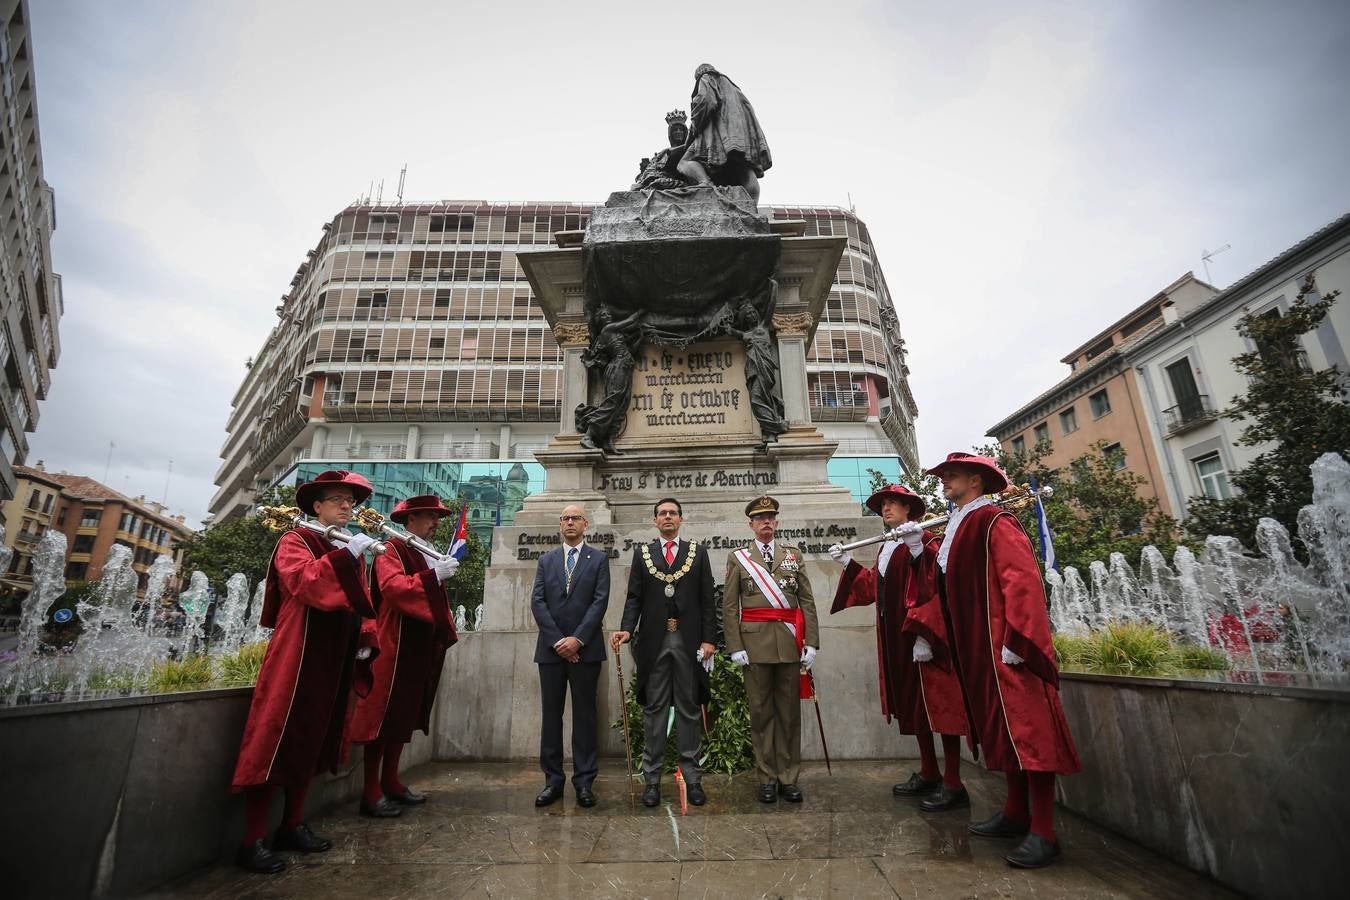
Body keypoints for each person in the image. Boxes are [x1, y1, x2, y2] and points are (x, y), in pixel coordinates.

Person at [923, 452, 1081, 869]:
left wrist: (1018, 639)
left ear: (975, 481)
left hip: (1006, 650)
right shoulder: (962, 524)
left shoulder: (995, 521)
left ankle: (1044, 831)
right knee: (1002, 732)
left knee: (1030, 734)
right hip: (979, 651)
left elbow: (1022, 581)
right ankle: (1015, 811)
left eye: (951, 476)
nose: (944, 482)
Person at [230, 470, 380, 874]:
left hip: (335, 652)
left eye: (351, 501)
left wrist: (367, 635)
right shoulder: (295, 540)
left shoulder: (352, 546)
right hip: (298, 651)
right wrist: (343, 558)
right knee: (277, 736)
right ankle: (252, 838)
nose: (347, 506)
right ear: (317, 506)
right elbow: (304, 583)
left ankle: (292, 824)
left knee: (316, 736)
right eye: (337, 500)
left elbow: (361, 599)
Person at [828, 484, 968, 807]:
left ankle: (954, 781)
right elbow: (869, 588)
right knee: (914, 707)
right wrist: (847, 562)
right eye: (883, 505)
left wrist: (925, 634)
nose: (886, 509)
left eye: (893, 504)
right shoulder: (888, 547)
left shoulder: (925, 539)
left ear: (909, 508)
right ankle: (929, 771)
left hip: (926, 639)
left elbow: (935, 581)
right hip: (898, 642)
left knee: (940, 706)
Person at [349, 495, 460, 818]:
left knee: (404, 715)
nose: (436, 522)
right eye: (429, 516)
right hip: (393, 643)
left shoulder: (422, 552)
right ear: (410, 519)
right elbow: (394, 589)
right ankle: (371, 791)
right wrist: (433, 577)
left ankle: (391, 781)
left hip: (417, 643)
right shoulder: (391, 550)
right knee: (382, 718)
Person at [611, 498, 716, 808]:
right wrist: (627, 629)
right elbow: (634, 598)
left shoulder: (698, 552)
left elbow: (707, 599)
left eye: (673, 513)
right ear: (655, 520)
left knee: (688, 709)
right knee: (654, 711)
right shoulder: (643, 554)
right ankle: (652, 780)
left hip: (689, 643)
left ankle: (692, 778)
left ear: (681, 519)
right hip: (655, 643)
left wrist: (710, 639)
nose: (667, 517)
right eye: (662, 513)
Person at [723, 496, 818, 803]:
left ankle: (789, 777)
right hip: (754, 646)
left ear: (777, 523)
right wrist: (735, 645)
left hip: (790, 644)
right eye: (760, 518)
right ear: (751, 524)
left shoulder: (793, 555)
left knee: (789, 715)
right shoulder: (738, 558)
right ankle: (766, 778)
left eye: (770, 517)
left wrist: (812, 642)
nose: (766, 522)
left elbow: (807, 601)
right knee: (761, 714)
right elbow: (728, 606)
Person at [530, 504, 610, 809]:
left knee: (585, 718)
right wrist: (558, 642)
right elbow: (538, 602)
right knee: (551, 717)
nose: (570, 522)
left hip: (586, 651)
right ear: (560, 525)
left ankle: (585, 781)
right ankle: (552, 781)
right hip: (550, 653)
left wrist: (577, 640)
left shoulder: (599, 559)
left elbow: (599, 602)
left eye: (575, 518)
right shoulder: (546, 560)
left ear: (585, 524)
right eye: (565, 518)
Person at [677, 64, 773, 202]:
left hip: (719, 132)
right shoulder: (734, 87)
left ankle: (705, 183)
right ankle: (752, 207)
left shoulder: (707, 77)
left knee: (685, 162)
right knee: (744, 166)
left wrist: (694, 129)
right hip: (742, 134)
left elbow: (706, 101)